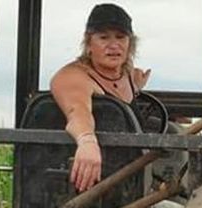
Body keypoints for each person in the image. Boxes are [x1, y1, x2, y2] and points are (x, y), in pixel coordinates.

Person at [51, 3, 151, 192]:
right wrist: (87, 141)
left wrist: (137, 87)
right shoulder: (73, 76)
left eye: (120, 37)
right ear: (89, 44)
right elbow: (77, 111)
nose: (113, 45)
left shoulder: (127, 75)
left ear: (130, 44)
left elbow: (130, 77)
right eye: (103, 37)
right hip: (89, 185)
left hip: (131, 184)